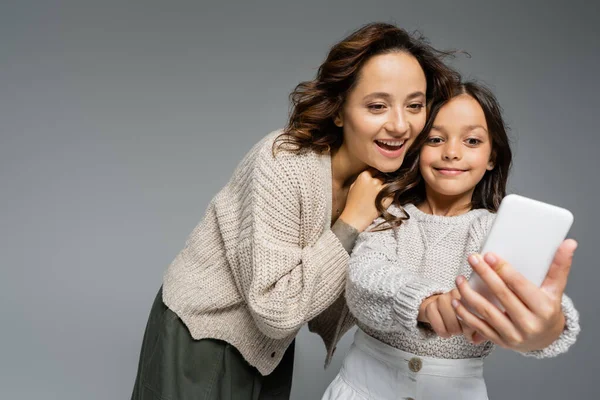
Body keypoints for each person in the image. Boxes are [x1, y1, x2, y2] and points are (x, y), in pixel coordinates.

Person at [130, 22, 461, 400]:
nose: (401, 125)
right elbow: (277, 308)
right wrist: (351, 222)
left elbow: (367, 287)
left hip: (269, 349)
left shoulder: (383, 187)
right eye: (377, 106)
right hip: (203, 332)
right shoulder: (283, 162)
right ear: (339, 111)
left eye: (415, 105)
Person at [321, 81, 580, 400]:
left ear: (491, 157)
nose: (452, 152)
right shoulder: (388, 215)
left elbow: (536, 295)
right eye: (435, 139)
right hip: (362, 389)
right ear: (415, 148)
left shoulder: (499, 230)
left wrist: (549, 326)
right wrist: (425, 304)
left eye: (472, 140)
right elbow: (364, 278)